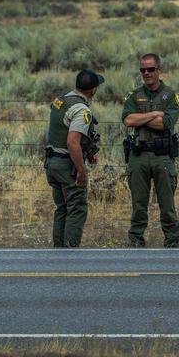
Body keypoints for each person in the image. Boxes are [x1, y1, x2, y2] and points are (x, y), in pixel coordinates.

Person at [122, 53, 179, 248]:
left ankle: (172, 242)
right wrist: (154, 113)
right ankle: (136, 242)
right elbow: (128, 121)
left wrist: (143, 117)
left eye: (150, 69)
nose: (146, 73)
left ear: (159, 70)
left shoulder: (170, 95)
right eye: (143, 70)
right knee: (138, 205)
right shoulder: (134, 95)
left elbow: (166, 123)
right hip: (138, 156)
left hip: (162, 157)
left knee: (167, 206)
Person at [45, 69, 104, 248]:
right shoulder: (81, 109)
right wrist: (81, 170)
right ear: (93, 90)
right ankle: (70, 253)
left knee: (62, 208)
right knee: (77, 208)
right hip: (66, 166)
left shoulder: (61, 100)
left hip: (52, 162)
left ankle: (59, 251)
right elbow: (72, 143)